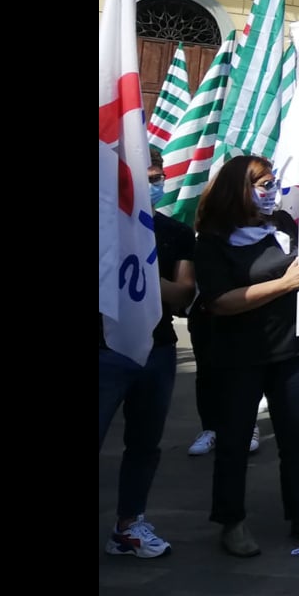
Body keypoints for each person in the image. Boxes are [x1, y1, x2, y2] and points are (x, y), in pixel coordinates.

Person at [191, 155, 299, 556]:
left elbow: (297, 267)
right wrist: (284, 284)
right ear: (238, 189)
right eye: (263, 184)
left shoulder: (283, 225)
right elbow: (220, 302)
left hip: (290, 349)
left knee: (298, 438)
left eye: (273, 182)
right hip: (238, 356)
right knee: (235, 440)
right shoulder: (211, 240)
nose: (272, 191)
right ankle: (231, 521)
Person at [98, 149, 195, 558]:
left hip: (156, 350)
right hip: (104, 351)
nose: (151, 185)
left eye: (156, 176)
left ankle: (129, 525)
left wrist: (138, 270)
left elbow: (183, 293)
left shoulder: (174, 232)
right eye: (143, 176)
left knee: (145, 443)